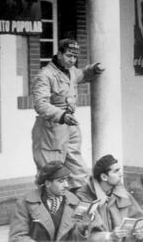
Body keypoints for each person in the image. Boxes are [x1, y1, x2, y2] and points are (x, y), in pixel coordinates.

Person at [31, 38, 105, 190]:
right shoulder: (45, 75)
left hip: (69, 130)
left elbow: (83, 74)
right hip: (50, 132)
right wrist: (62, 115)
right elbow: (41, 104)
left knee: (79, 174)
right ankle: (46, 211)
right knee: (51, 177)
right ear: (59, 54)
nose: (72, 60)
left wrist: (94, 70)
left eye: (75, 57)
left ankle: (78, 209)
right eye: (69, 55)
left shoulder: (70, 72)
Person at [76, 154, 143, 242]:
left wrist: (140, 232)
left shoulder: (122, 193)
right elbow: (81, 234)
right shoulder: (83, 198)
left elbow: (142, 218)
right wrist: (109, 237)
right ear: (104, 177)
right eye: (116, 171)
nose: (121, 174)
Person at [9, 161, 89, 241]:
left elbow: (78, 237)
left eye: (67, 180)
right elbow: (17, 237)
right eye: (61, 181)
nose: (66, 185)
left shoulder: (75, 201)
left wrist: (83, 227)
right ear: (47, 183)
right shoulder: (25, 203)